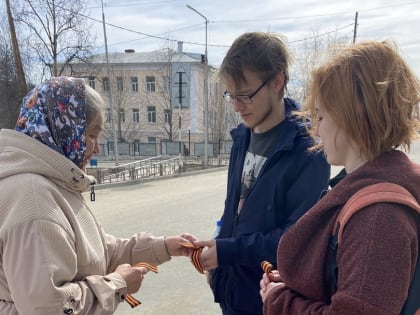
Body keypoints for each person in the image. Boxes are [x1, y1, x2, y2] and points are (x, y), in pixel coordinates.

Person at [0, 76, 192, 314]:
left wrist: (162, 247)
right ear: (64, 129)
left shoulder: (53, 183)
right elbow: (50, 308)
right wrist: (117, 286)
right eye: (91, 135)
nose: (97, 147)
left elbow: (98, 252)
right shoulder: (33, 200)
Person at [260, 40, 420, 314]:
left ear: (352, 117)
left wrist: (280, 300)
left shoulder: (379, 217)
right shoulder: (380, 183)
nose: (317, 131)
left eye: (321, 116)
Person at [187, 32, 331, 315]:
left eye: (246, 96)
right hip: (232, 291)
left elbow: (297, 240)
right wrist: (219, 247)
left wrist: (227, 252)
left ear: (277, 81)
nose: (237, 106)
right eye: (232, 96)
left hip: (273, 300)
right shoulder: (242, 136)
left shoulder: (308, 150)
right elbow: (235, 208)